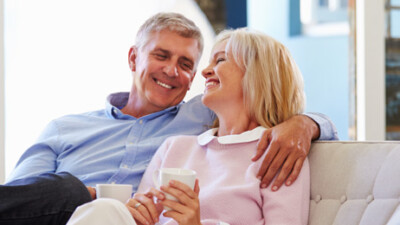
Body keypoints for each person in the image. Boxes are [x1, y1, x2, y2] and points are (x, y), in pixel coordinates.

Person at [1, 12, 337, 225]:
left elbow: (274, 100)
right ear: (134, 58)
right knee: (71, 194)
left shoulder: (204, 117)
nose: (173, 70)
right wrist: (90, 195)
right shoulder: (65, 129)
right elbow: (19, 198)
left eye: (187, 64)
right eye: (161, 55)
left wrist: (306, 124)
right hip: (61, 213)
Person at [68, 27, 311, 225]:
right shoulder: (175, 147)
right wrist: (138, 213)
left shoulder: (279, 154)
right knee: (105, 210)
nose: (205, 71)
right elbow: (140, 215)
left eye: (220, 60)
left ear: (258, 76)